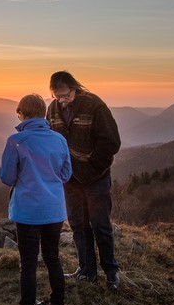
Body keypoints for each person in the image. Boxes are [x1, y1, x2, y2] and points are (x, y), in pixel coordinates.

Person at [0, 94, 73, 305]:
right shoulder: (59, 140)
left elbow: (7, 177)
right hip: (54, 210)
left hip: (29, 211)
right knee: (53, 257)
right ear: (44, 114)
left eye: (19, 113)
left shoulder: (17, 140)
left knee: (28, 263)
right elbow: (66, 174)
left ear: (22, 113)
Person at [46, 71, 122, 289]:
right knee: (78, 225)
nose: (61, 100)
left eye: (65, 95)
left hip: (95, 178)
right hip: (69, 179)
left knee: (101, 225)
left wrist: (93, 166)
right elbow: (50, 138)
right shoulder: (52, 109)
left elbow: (111, 142)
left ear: (74, 88)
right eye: (57, 96)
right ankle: (86, 270)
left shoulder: (94, 105)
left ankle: (110, 272)